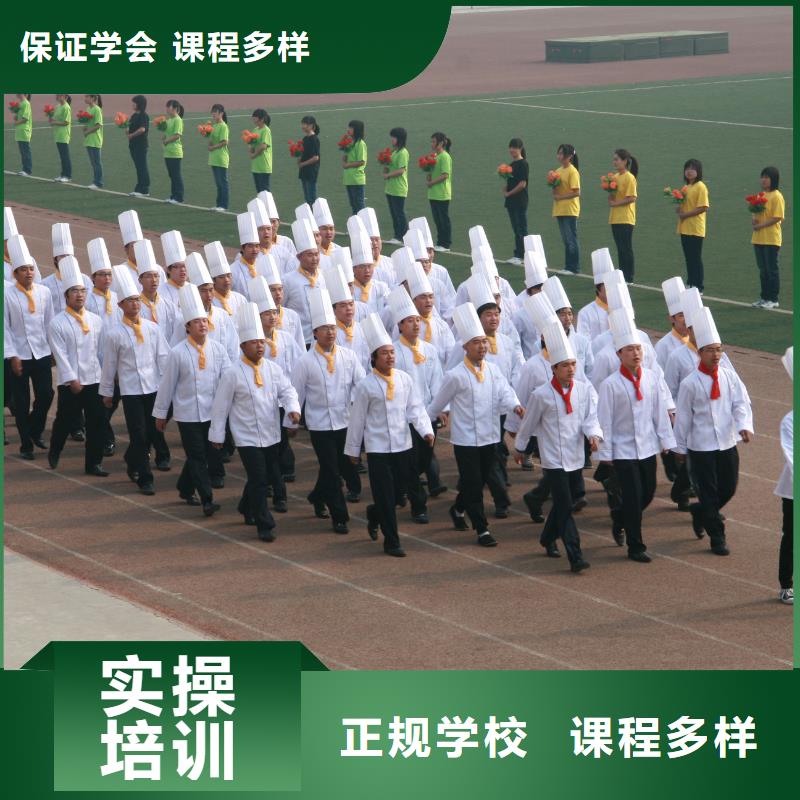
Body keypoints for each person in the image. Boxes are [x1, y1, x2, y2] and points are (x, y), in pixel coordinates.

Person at [428, 302, 523, 547]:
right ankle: (482, 529)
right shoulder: (455, 376)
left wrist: (515, 405)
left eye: (483, 342)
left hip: (490, 435)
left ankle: (458, 509)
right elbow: (437, 404)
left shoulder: (493, 370)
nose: (482, 347)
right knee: (473, 483)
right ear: (465, 347)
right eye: (476, 343)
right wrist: (427, 426)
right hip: (466, 440)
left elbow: (505, 391)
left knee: (478, 482)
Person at [514, 320, 601, 571]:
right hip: (552, 459)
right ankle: (575, 555)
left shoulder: (583, 390)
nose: (571, 369)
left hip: (575, 455)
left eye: (573, 364)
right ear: (554, 368)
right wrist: (520, 447)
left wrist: (593, 435)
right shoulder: (541, 395)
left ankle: (547, 537)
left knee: (567, 502)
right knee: (564, 505)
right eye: (565, 365)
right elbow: (529, 424)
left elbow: (590, 418)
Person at [210, 303, 301, 541]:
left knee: (263, 476)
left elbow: (287, 391)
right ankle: (265, 524)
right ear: (242, 346)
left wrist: (293, 409)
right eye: (254, 343)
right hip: (246, 435)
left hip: (271, 433)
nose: (260, 346)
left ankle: (245, 505)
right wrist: (217, 435)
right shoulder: (233, 373)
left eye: (262, 342)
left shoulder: (273, 369)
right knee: (259, 478)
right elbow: (221, 406)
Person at [345, 314, 435, 557]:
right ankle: (392, 542)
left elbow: (415, 408)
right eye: (384, 353)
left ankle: (374, 514)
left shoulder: (404, 379)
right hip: (378, 450)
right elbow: (357, 420)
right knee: (385, 496)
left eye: (392, 352)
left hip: (403, 446)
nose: (390, 356)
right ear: (374, 358)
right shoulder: (365, 386)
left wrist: (426, 430)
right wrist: (353, 450)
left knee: (397, 496)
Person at [594, 311, 676, 562]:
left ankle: (620, 517)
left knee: (647, 493)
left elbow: (659, 413)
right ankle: (635, 545)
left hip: (647, 447)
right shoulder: (610, 385)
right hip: (623, 450)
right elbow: (605, 421)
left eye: (638, 348)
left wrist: (666, 441)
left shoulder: (651, 378)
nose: (636, 353)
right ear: (619, 354)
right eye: (629, 349)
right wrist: (606, 454)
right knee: (632, 496)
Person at [673, 308, 753, 555]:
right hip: (701, 445)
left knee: (728, 487)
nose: (716, 354)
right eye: (710, 350)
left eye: (719, 349)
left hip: (726, 442)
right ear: (700, 353)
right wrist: (680, 447)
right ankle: (717, 537)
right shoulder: (690, 384)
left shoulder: (729, 377)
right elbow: (683, 416)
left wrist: (743, 425)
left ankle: (700, 512)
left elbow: (740, 403)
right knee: (707, 492)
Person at [291, 288, 366, 533]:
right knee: (332, 471)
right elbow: (296, 393)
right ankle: (340, 516)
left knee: (337, 467)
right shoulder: (305, 362)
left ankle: (316, 496)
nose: (331, 332)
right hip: (319, 424)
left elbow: (362, 386)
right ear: (315, 332)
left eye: (333, 328)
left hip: (344, 421)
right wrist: (292, 421)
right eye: (325, 329)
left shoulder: (349, 356)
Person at [154, 283, 230, 516]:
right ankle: (207, 499)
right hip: (187, 414)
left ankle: (185, 487)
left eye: (204, 321)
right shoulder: (177, 353)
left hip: (211, 412)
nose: (202, 325)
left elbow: (228, 379)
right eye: (197, 322)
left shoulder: (218, 350)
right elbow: (167, 385)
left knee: (206, 453)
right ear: (187, 326)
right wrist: (161, 414)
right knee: (197, 456)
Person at [99, 264, 169, 495]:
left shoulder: (152, 328)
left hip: (153, 387)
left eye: (137, 300)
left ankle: (132, 459)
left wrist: (167, 385)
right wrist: (107, 392)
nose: (135, 304)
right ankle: (145, 478)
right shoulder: (114, 334)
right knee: (138, 433)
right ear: (120, 305)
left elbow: (163, 357)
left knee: (151, 432)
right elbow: (109, 365)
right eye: (129, 301)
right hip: (130, 391)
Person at [45, 255, 107, 476]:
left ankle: (93, 463)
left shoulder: (96, 321)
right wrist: (72, 378)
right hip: (71, 383)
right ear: (66, 295)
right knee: (65, 420)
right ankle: (55, 449)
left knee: (97, 422)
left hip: (94, 379)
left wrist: (105, 377)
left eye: (82, 291)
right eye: (74, 291)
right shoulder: (57, 323)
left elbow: (101, 351)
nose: (79, 295)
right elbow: (60, 355)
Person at [388, 285, 447, 498]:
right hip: (404, 415)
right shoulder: (393, 351)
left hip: (428, 411)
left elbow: (437, 380)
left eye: (417, 320)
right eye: (410, 321)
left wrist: (441, 408)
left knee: (426, 453)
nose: (415, 325)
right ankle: (416, 496)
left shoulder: (429, 349)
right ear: (400, 325)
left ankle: (408, 485)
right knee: (410, 455)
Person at [249, 275, 304, 491]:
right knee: (267, 441)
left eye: (274, 312)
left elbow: (298, 363)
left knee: (282, 437)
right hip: (261, 399)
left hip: (282, 397)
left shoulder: (286, 339)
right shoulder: (253, 343)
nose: (272, 317)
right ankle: (273, 478)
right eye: (266, 313)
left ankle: (282, 471)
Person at [4, 235, 54, 459]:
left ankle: (34, 429)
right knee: (22, 402)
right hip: (19, 355)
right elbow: (5, 328)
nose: (29, 273)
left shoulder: (44, 293)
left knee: (46, 394)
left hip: (41, 352)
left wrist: (52, 350)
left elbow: (49, 323)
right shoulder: (7, 295)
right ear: (15, 273)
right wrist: (12, 355)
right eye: (23, 269)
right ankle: (26, 445)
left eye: (31, 268)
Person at [282, 218, 326, 346]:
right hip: (299, 339)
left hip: (321, 340)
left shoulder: (324, 276)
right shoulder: (288, 280)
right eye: (310, 255)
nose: (314, 258)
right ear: (299, 257)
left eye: (316, 254)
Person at [750, 166, 785, 309]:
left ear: (773, 179)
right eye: (762, 177)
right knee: (763, 270)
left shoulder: (777, 196)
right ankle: (764, 297)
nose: (763, 180)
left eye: (767, 177)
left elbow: (778, 217)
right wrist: (754, 220)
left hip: (771, 239)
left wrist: (761, 225)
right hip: (758, 238)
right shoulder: (760, 196)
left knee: (771, 270)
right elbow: (756, 214)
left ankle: (773, 299)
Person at [676, 158, 709, 292]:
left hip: (695, 228)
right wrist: (679, 209)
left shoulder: (701, 186)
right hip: (685, 228)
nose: (689, 171)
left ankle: (698, 286)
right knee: (688, 258)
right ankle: (690, 283)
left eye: (692, 169)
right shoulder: (685, 188)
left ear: (698, 171)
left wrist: (685, 215)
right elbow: (684, 206)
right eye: (687, 169)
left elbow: (703, 207)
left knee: (695, 258)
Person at [776, 347, 793, 604]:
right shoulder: (790, 420)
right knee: (792, 535)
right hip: (793, 492)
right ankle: (786, 584)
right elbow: (792, 456)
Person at [608, 148, 638, 283]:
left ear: (625, 161)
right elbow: (612, 197)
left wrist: (615, 203)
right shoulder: (614, 177)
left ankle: (629, 277)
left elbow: (632, 198)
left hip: (626, 218)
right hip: (615, 218)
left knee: (626, 248)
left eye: (617, 159)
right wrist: (609, 192)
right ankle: (622, 275)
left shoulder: (629, 177)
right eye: (614, 159)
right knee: (620, 249)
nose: (614, 162)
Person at [552, 144, 581, 274]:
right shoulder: (558, 171)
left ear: (569, 156)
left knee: (571, 239)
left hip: (570, 209)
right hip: (560, 209)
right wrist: (553, 186)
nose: (559, 156)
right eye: (558, 153)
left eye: (561, 153)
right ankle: (568, 266)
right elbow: (556, 191)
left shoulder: (572, 171)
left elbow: (576, 192)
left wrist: (560, 197)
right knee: (566, 240)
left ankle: (574, 267)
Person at [576, 248, 616, 343]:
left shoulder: (623, 308)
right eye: (607, 286)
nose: (612, 289)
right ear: (598, 289)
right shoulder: (586, 313)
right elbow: (584, 343)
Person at [502, 137, 529, 265]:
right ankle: (518, 254)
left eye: (515, 147)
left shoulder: (523, 164)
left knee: (521, 228)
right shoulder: (511, 165)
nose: (512, 150)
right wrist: (505, 188)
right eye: (511, 147)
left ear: (520, 149)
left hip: (519, 200)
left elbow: (522, 184)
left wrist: (509, 193)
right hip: (512, 201)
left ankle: (522, 255)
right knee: (516, 228)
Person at [206, 241, 247, 319]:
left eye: (228, 276)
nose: (226, 280)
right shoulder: (210, 301)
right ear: (214, 280)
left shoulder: (240, 299)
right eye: (221, 277)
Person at [427, 132, 452, 252]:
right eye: (431, 141)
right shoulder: (434, 156)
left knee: (443, 219)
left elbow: (445, 175)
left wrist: (432, 182)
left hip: (442, 194)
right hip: (433, 193)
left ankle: (446, 244)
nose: (432, 144)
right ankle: (440, 242)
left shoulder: (445, 156)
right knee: (437, 219)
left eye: (434, 141)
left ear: (441, 143)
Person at [384, 127, 410, 242]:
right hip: (390, 188)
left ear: (400, 138)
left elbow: (401, 170)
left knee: (399, 213)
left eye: (394, 137)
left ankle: (403, 236)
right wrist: (385, 166)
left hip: (399, 188)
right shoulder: (394, 152)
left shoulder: (403, 153)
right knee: (394, 213)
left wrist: (388, 175)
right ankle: (397, 235)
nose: (392, 139)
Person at [208, 103, 230, 212]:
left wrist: (213, 147)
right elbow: (211, 141)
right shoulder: (214, 126)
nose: (213, 114)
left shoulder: (223, 126)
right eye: (212, 112)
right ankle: (218, 204)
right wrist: (207, 134)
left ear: (221, 113)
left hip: (221, 158)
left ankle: (223, 205)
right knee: (218, 183)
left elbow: (224, 142)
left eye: (215, 112)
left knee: (222, 182)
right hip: (214, 158)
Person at [342, 119, 367, 214]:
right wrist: (344, 153)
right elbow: (345, 159)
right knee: (353, 204)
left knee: (359, 205)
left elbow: (362, 161)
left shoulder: (360, 144)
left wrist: (347, 165)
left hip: (357, 179)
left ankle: (362, 222)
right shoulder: (350, 143)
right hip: (349, 178)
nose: (348, 129)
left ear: (357, 130)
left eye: (351, 128)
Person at [127, 95, 149, 197]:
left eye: (134, 103)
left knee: (142, 167)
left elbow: (142, 129)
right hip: (133, 145)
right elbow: (129, 128)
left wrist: (132, 135)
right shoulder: (134, 115)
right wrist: (126, 129)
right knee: (138, 167)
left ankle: (144, 189)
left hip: (141, 145)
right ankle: (139, 188)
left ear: (139, 104)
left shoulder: (143, 116)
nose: (132, 104)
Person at [162, 99, 184, 204]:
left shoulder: (177, 120)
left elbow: (177, 135)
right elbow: (166, 133)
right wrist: (163, 135)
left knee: (176, 175)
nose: (167, 109)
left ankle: (178, 197)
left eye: (168, 107)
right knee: (172, 175)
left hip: (175, 152)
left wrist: (166, 141)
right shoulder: (169, 120)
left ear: (175, 108)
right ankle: (173, 196)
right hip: (168, 152)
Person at [159, 229, 188, 309]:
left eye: (184, 266)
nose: (182, 270)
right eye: (177, 266)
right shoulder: (160, 292)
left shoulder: (193, 289)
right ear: (168, 270)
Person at [297, 115, 321, 206]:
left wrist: (303, 164)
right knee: (307, 198)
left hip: (311, 171)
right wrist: (298, 157)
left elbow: (316, 157)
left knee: (311, 199)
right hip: (304, 171)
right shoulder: (305, 139)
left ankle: (314, 213)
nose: (303, 126)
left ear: (311, 125)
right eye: (302, 124)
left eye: (305, 124)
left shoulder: (314, 139)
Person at [82, 94, 104, 189]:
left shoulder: (97, 109)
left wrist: (87, 132)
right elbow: (88, 122)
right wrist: (84, 127)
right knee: (93, 163)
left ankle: (98, 182)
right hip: (89, 140)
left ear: (93, 98)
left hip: (95, 139)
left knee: (96, 162)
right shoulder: (88, 109)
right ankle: (95, 181)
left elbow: (98, 125)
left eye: (87, 96)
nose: (85, 98)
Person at [248, 108, 272, 192]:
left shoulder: (266, 130)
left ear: (262, 119)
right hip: (256, 166)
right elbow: (251, 144)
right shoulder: (255, 130)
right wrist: (250, 149)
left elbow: (263, 146)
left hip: (264, 166)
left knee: (265, 192)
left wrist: (253, 155)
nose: (254, 121)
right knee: (259, 192)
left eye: (255, 119)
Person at [50, 94, 72, 182]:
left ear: (65, 97)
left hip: (63, 135)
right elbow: (55, 118)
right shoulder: (58, 106)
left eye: (60, 95)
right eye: (57, 95)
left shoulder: (66, 107)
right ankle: (63, 174)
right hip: (58, 134)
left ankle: (68, 176)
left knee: (65, 156)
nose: (57, 96)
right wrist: (51, 118)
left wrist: (55, 123)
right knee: (62, 156)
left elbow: (66, 122)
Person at [13, 93, 32, 176]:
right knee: (23, 152)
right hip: (20, 131)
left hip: (24, 131)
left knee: (25, 151)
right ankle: (24, 169)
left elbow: (25, 119)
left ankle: (27, 170)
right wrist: (16, 116)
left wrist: (16, 122)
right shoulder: (21, 104)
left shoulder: (26, 103)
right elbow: (19, 117)